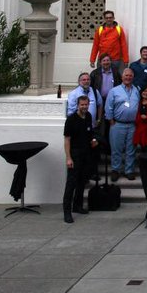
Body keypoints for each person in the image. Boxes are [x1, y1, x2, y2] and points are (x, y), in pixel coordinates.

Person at [62, 95, 98, 223]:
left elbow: (90, 132)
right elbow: (67, 140)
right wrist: (68, 158)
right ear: (78, 105)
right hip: (75, 154)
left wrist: (93, 139)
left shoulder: (88, 116)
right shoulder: (71, 120)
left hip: (86, 153)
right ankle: (67, 211)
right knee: (71, 183)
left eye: (86, 104)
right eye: (82, 105)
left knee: (82, 181)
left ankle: (77, 206)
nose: (84, 107)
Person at [104, 67, 139, 179]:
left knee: (131, 149)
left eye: (130, 76)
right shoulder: (114, 91)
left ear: (133, 77)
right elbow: (108, 107)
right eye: (126, 75)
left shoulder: (136, 90)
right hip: (117, 124)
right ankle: (116, 170)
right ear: (122, 77)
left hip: (133, 125)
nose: (128, 77)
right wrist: (111, 121)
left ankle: (129, 170)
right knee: (116, 149)